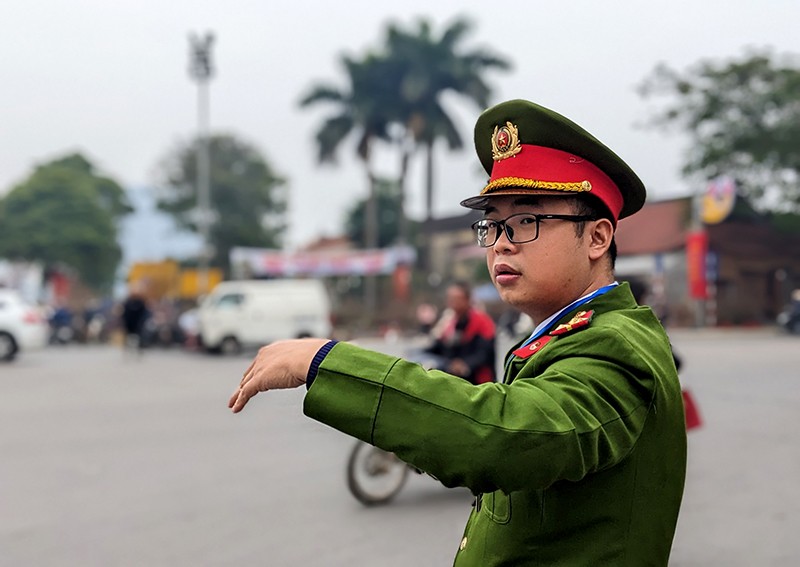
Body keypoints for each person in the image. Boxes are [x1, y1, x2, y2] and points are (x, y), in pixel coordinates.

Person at [229, 99, 686, 565]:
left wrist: (328, 362)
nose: (503, 242)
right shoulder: (567, 335)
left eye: (527, 220)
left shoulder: (614, 345)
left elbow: (510, 437)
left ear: (597, 237)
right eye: (494, 224)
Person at [424, 281, 496, 384]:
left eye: (457, 299)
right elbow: (439, 347)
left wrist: (464, 364)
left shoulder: (483, 322)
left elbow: (484, 353)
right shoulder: (449, 322)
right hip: (455, 379)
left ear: (467, 299)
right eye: (450, 298)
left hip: (480, 381)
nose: (453, 302)